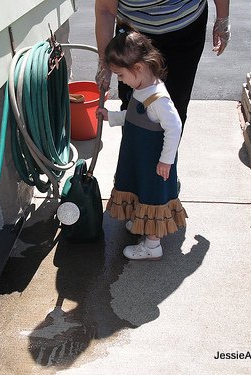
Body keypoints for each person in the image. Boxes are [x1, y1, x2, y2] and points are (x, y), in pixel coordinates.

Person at [96, 29, 187, 260]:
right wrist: (112, 117)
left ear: (138, 68)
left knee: (152, 195)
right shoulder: (141, 88)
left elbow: (174, 127)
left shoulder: (159, 98)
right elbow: (134, 116)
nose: (120, 80)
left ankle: (152, 245)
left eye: (120, 75)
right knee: (141, 189)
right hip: (139, 157)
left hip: (154, 163)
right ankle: (142, 221)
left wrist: (166, 160)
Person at [95, 0, 230, 127]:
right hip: (133, 40)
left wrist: (222, 18)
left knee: (175, 104)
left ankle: (165, 150)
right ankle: (134, 148)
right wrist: (105, 62)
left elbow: (173, 125)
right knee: (134, 104)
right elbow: (105, 8)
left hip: (185, 29)